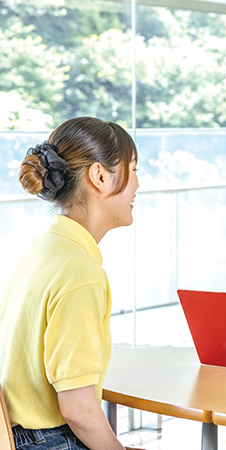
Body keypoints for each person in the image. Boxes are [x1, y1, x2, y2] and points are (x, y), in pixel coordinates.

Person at [0, 117, 142, 449]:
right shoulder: (80, 273)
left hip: (16, 436)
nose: (137, 184)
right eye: (133, 168)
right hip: (50, 440)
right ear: (100, 176)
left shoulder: (44, 248)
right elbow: (78, 410)